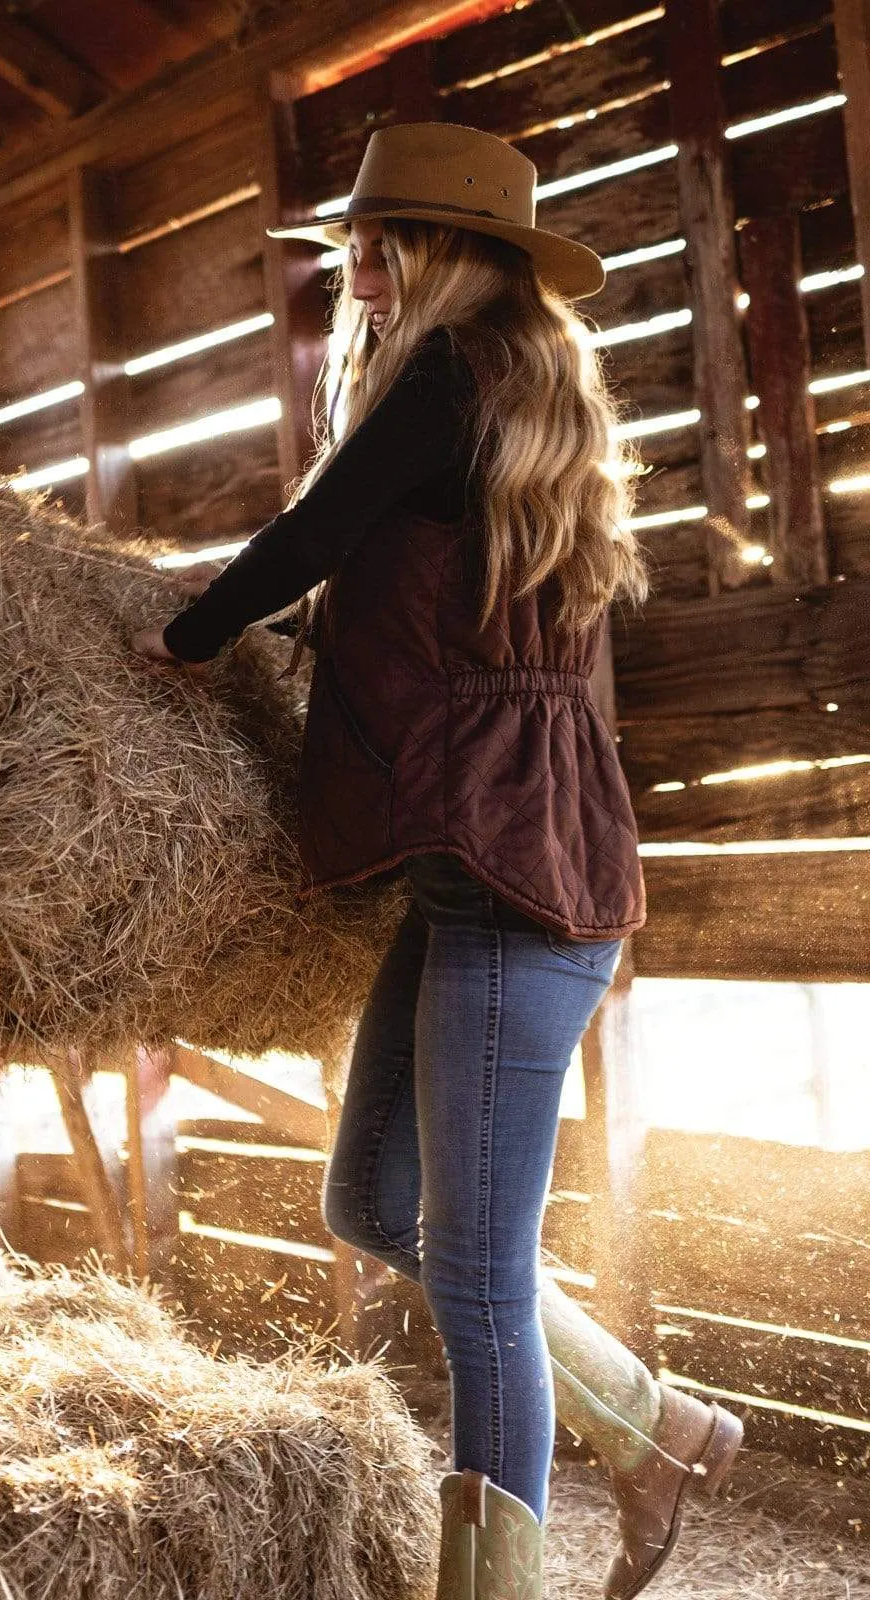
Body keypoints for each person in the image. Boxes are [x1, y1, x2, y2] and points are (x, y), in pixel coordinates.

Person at [131, 122, 742, 1600]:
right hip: (487, 874)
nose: (357, 270)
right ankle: (651, 1427)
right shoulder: (507, 400)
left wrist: (174, 638)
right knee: (367, 1202)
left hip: (514, 897)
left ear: (436, 249)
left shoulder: (453, 383)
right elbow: (378, 604)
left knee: (474, 1283)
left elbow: (307, 538)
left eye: (376, 241)